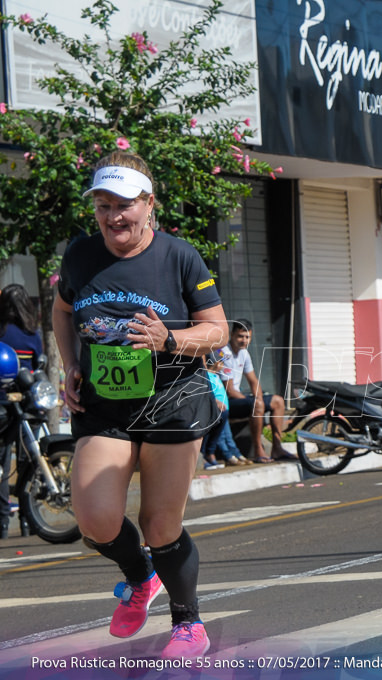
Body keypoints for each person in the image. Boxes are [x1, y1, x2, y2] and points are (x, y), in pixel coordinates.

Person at [52, 151, 228, 657]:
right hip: (105, 407)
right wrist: (70, 365)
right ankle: (140, 575)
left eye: (124, 205)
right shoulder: (80, 256)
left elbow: (216, 330)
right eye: (103, 206)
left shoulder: (178, 256)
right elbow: (62, 310)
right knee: (95, 519)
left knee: (159, 524)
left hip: (173, 402)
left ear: (148, 204)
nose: (113, 217)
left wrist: (168, 340)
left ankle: (187, 623)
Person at [212, 319, 294, 463]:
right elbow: (229, 390)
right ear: (231, 335)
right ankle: (258, 450)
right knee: (257, 405)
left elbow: (253, 380)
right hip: (226, 402)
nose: (244, 340)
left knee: (278, 401)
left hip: (240, 397)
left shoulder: (244, 353)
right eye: (240, 336)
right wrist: (257, 402)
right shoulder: (223, 353)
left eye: (247, 337)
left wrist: (259, 397)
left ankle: (277, 447)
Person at [0, 284, 45, 538]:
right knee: (29, 460)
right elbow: (38, 362)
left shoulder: (1, 332)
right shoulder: (32, 333)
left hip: (3, 403)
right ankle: (29, 520)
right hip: (28, 402)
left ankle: (3, 523)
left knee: (4, 465)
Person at [200, 355, 248, 468]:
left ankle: (233, 454)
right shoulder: (207, 376)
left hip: (224, 410)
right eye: (221, 363)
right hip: (216, 411)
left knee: (227, 435)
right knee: (219, 436)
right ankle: (220, 455)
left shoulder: (216, 376)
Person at [0, 283, 44, 369]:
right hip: (26, 380)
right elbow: (38, 365)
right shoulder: (32, 335)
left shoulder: (2, 331)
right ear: (25, 304)